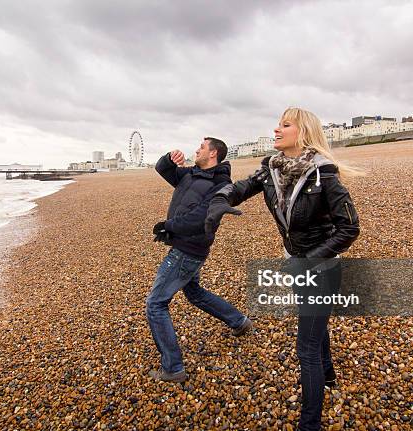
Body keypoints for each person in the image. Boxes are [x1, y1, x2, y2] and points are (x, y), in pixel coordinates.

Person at [205, 108, 362, 430]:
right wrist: (221, 200)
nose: (276, 129)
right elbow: (239, 188)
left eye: (285, 125)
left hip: (320, 268)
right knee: (316, 324)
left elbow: (349, 229)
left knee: (305, 348)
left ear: (302, 133)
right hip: (296, 263)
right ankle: (328, 374)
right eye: (278, 124)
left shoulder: (324, 176)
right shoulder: (271, 170)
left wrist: (309, 262)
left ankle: (310, 423)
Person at [146, 137, 254, 383]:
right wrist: (169, 157)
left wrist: (168, 226)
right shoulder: (190, 175)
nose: (196, 149)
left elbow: (200, 217)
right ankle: (239, 321)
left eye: (201, 147)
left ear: (213, 153)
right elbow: (162, 169)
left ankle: (172, 368)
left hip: (188, 248)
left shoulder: (220, 184)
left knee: (155, 304)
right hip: (187, 246)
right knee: (193, 292)